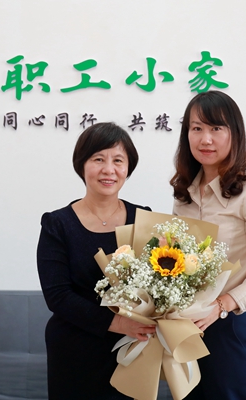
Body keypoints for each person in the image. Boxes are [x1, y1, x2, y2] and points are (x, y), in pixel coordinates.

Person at [170, 91, 246, 399]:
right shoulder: (184, 195)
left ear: (234, 134)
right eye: (196, 128)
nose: (205, 139)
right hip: (187, 330)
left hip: (231, 331)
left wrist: (221, 304)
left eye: (216, 128)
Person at [37, 122, 156, 400]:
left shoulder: (143, 217)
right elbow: (58, 296)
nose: (108, 169)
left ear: (128, 168)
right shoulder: (57, 224)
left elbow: (158, 283)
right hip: (74, 351)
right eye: (98, 159)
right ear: (82, 165)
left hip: (131, 348)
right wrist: (118, 323)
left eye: (118, 160)